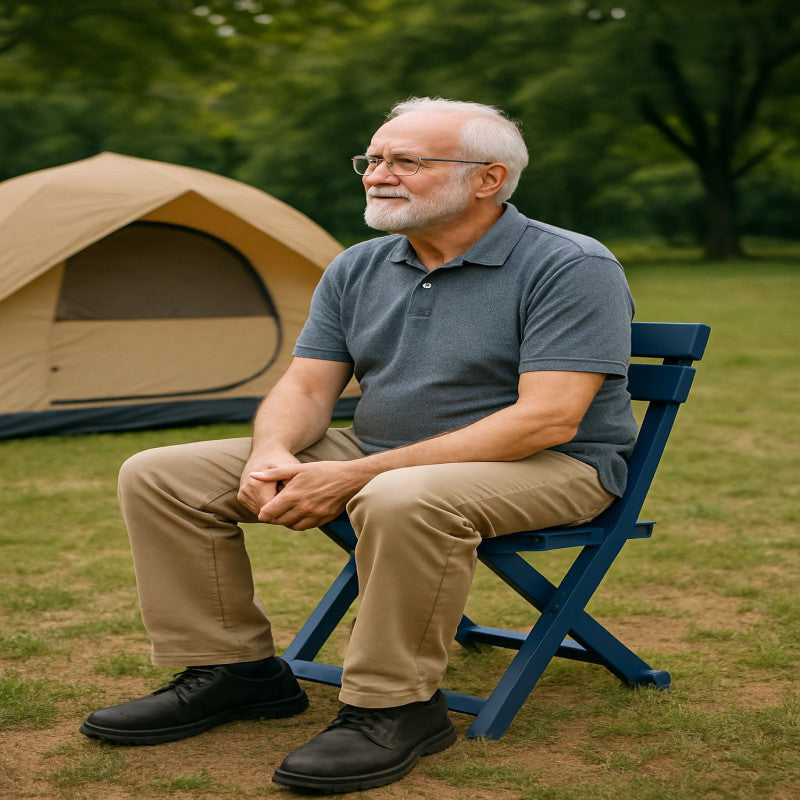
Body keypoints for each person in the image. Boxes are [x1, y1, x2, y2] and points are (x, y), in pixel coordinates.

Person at [80, 97, 637, 793]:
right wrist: (271, 453)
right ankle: (236, 672)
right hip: (384, 452)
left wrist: (355, 476)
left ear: (488, 178)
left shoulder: (569, 265)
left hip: (550, 465)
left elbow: (547, 420)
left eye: (406, 161)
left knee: (402, 496)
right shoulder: (359, 265)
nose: (378, 174)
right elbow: (308, 389)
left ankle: (394, 707)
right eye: (372, 159)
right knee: (160, 473)